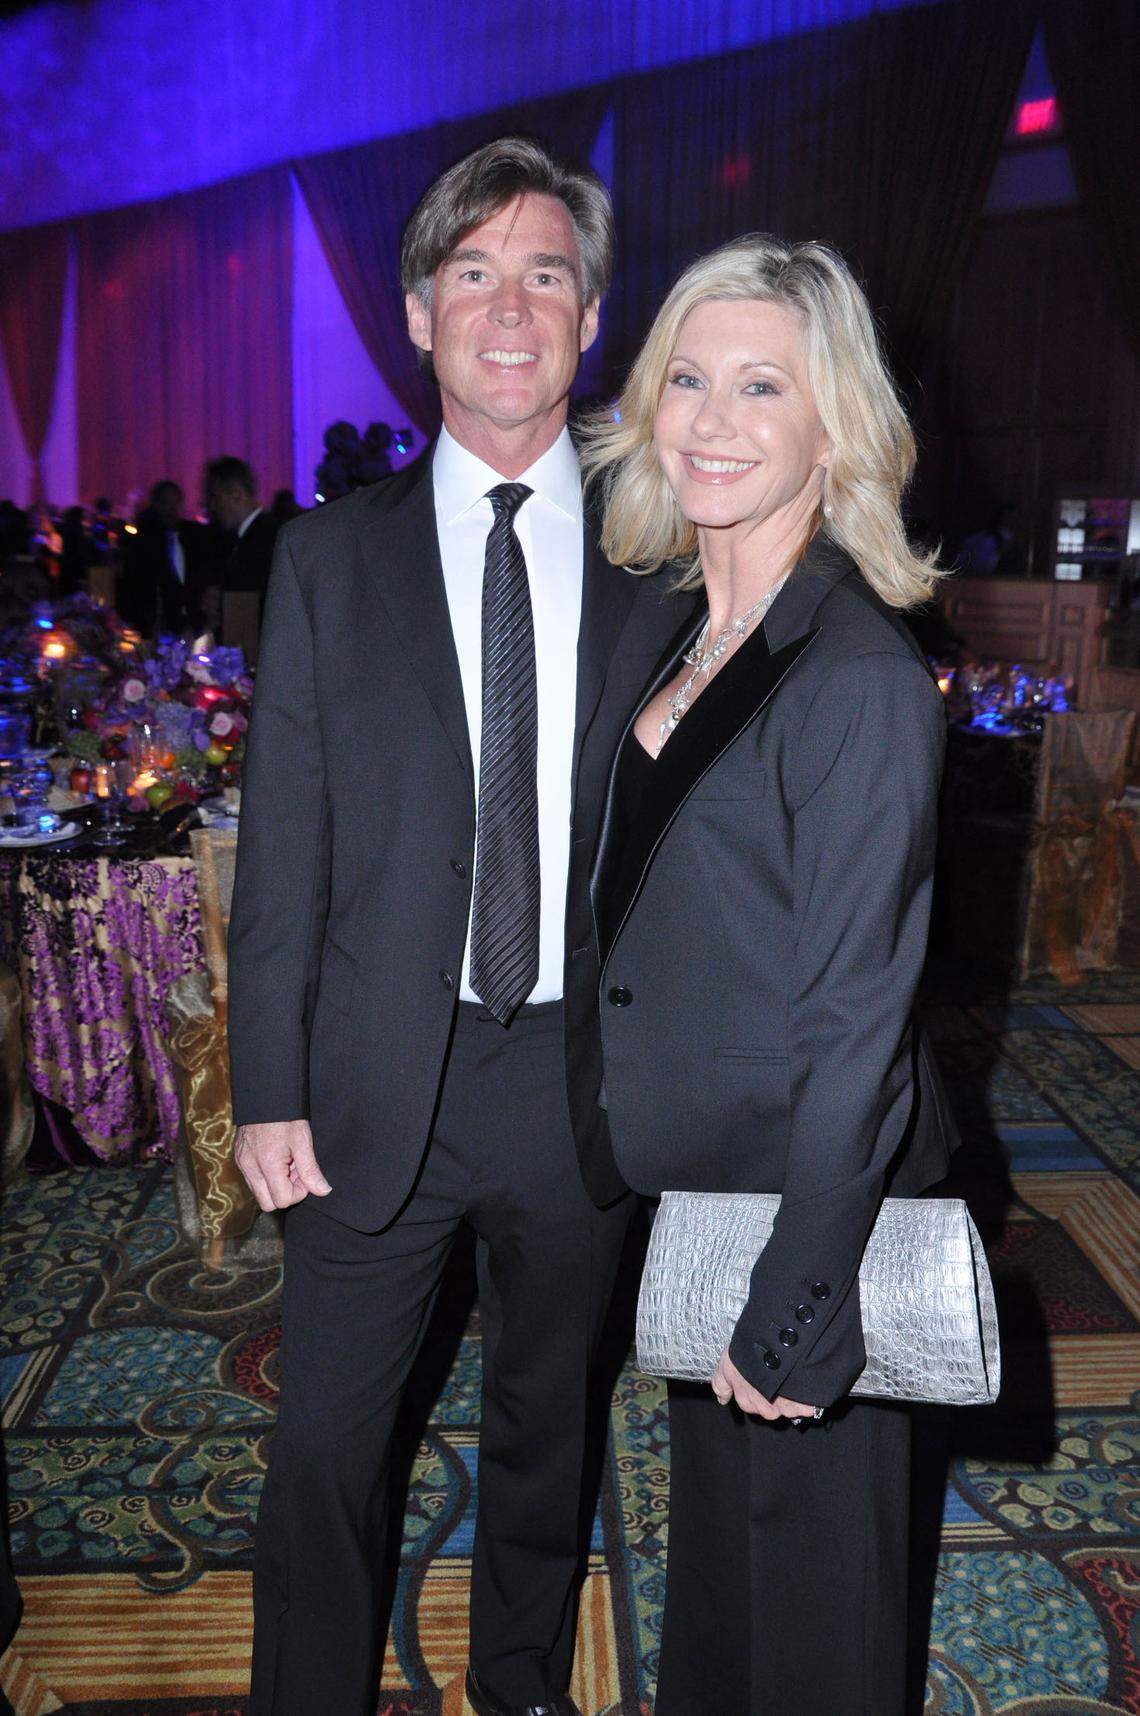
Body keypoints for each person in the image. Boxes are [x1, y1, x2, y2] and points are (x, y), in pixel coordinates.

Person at [226, 136, 691, 1716]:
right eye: (473, 274)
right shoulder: (326, 560)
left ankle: (519, 1688)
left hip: (579, 1085)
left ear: (590, 315)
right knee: (326, 1448)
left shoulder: (662, 560)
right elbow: (282, 850)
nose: (511, 307)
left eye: (545, 273)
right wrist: (265, 1086)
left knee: (548, 1427)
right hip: (366, 1083)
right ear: (418, 314)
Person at [579, 234, 959, 1716]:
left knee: (815, 1627)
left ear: (833, 429)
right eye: (688, 377)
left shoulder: (856, 675)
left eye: (762, 386)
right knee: (727, 1595)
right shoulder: (683, 629)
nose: (712, 419)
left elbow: (859, 1028)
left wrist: (801, 1293)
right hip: (704, 1193)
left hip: (815, 1213)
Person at [118, 480, 208, 635]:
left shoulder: (193, 536)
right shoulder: (143, 541)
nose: (172, 509)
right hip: (155, 625)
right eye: (166, 503)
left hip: (191, 623)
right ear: (156, 504)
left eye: (176, 503)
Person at [204, 456, 279, 619]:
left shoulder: (265, 538)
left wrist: (221, 602)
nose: (212, 507)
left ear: (237, 495)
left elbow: (260, 599)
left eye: (216, 498)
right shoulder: (250, 536)